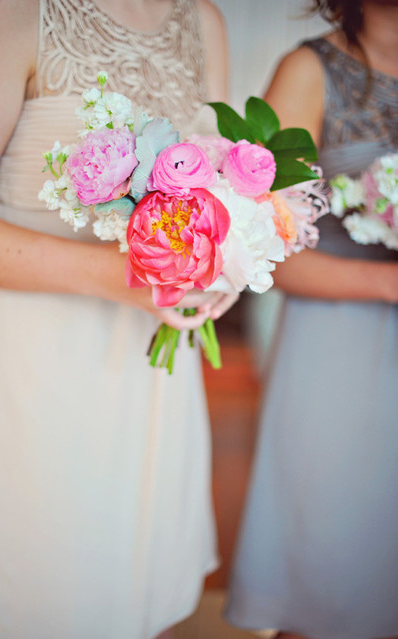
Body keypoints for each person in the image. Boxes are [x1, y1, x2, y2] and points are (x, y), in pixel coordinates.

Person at [0, 1, 239, 638]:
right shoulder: (13, 12)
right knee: (41, 588)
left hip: (154, 370)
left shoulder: (204, 21)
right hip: (37, 367)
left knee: (135, 585)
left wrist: (222, 262)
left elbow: (216, 188)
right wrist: (132, 278)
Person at [225, 1, 398, 638]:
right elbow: (257, 246)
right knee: (325, 557)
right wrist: (388, 282)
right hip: (338, 345)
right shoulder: (308, 71)